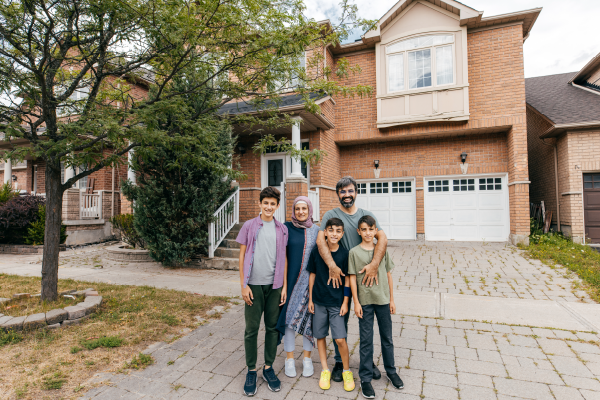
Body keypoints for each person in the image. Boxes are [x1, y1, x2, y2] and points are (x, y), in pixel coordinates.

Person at [317, 176, 388, 382]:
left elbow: (382, 237)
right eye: (342, 191)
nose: (346, 195)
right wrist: (331, 265)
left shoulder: (367, 215)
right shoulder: (330, 214)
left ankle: (368, 362)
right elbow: (320, 240)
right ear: (337, 194)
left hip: (365, 276)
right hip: (340, 276)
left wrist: (374, 265)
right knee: (342, 319)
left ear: (356, 192)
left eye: (350, 191)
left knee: (366, 322)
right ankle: (340, 362)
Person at [236, 187, 288, 396]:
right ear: (260, 204)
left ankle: (268, 368)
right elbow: (241, 257)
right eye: (265, 203)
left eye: (272, 204)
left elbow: (284, 258)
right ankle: (251, 370)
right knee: (251, 329)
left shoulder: (281, 229)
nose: (268, 207)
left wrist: (284, 286)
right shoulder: (249, 226)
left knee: (273, 328)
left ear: (277, 206)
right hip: (253, 285)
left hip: (274, 286)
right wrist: (243, 285)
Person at [349, 215, 403, 399]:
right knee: (366, 340)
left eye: (371, 229)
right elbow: (352, 279)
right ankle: (365, 379)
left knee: (387, 337)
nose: (367, 233)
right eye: (363, 229)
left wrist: (392, 300)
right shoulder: (354, 253)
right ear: (359, 231)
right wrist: (356, 302)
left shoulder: (381, 250)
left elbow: (388, 275)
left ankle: (391, 371)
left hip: (383, 300)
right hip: (365, 303)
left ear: (375, 231)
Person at [308, 217, 355, 392]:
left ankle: (346, 370)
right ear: (325, 232)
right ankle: (325, 370)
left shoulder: (344, 254)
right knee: (320, 336)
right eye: (331, 230)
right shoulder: (317, 251)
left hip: (337, 304)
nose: (334, 234)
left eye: (338, 231)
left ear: (342, 234)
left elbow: (349, 280)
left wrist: (345, 301)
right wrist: (311, 299)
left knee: (340, 339)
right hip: (319, 301)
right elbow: (312, 275)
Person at [276, 196, 319, 378]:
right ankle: (290, 359)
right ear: (293, 210)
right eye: (297, 208)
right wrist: (284, 286)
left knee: (310, 321)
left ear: (310, 210)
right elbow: (282, 258)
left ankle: (307, 359)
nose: (301, 212)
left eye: (304, 208)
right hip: (291, 281)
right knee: (289, 321)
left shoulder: (316, 230)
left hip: (311, 283)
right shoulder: (286, 228)